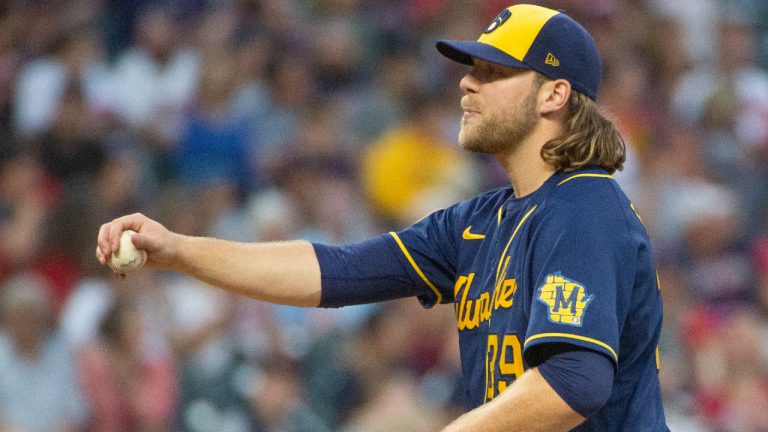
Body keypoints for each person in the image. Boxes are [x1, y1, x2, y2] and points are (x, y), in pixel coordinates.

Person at [96, 4, 669, 431]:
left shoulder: (586, 208)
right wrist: (178, 250)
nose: (468, 81)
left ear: (554, 95)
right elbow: (334, 272)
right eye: (472, 68)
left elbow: (576, 382)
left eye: (495, 72)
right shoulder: (481, 220)